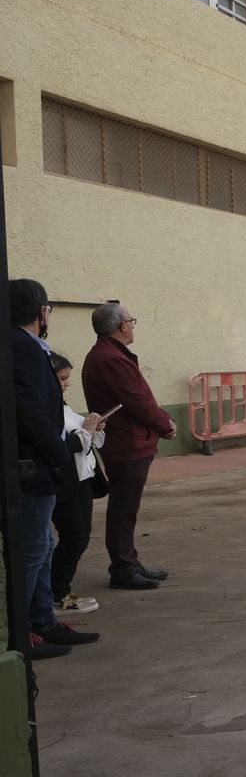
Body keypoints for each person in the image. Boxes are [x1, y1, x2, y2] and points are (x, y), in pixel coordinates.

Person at [10, 279, 100, 658]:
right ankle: (23, 634)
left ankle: (43, 622)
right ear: (40, 311)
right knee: (32, 551)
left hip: (38, 464)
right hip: (33, 467)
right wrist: (60, 454)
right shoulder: (22, 347)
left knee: (44, 545)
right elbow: (31, 412)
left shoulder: (29, 346)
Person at [82, 301, 176, 590]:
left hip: (129, 440)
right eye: (132, 321)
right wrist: (165, 424)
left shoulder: (109, 354)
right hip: (127, 442)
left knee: (126, 509)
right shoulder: (111, 358)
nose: (133, 326)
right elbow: (138, 401)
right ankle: (123, 568)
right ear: (122, 326)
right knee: (123, 509)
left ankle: (130, 562)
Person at [50, 352, 104, 616]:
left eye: (67, 378)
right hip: (63, 481)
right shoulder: (42, 410)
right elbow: (62, 445)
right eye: (62, 379)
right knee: (73, 537)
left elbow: (81, 438)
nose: (67, 384)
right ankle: (56, 594)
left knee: (80, 537)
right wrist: (86, 431)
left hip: (81, 478)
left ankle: (59, 591)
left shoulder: (62, 406)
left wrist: (92, 428)